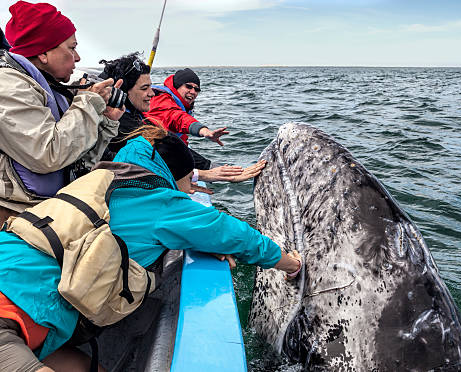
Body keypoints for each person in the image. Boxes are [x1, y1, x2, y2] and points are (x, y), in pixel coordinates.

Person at [0, 124, 302, 372]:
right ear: (173, 175)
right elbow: (234, 234)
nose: (189, 189)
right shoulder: (161, 202)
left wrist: (193, 239)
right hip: (17, 310)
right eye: (187, 181)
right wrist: (291, 264)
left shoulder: (102, 178)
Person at [0, 1, 123, 226]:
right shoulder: (8, 87)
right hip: (15, 218)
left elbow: (76, 161)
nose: (77, 58)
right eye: (71, 47)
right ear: (44, 53)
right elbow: (47, 155)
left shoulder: (48, 88)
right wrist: (87, 102)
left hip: (46, 211)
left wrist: (104, 121)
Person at [100, 53, 265, 184]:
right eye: (144, 88)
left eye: (197, 89)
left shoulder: (132, 113)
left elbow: (168, 146)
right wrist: (205, 173)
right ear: (120, 93)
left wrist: (206, 170)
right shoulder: (127, 120)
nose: (151, 93)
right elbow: (164, 138)